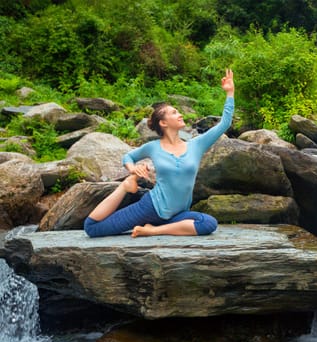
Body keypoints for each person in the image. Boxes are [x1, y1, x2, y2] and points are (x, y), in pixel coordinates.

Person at [83, 69, 234, 238]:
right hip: (151, 208)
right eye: (174, 112)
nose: (181, 114)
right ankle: (125, 186)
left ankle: (152, 230)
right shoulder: (153, 147)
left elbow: (225, 123)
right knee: (92, 228)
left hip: (177, 215)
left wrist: (229, 92)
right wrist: (132, 170)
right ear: (163, 122)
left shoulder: (196, 145)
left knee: (208, 223)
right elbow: (128, 157)